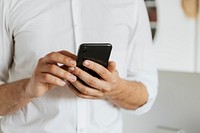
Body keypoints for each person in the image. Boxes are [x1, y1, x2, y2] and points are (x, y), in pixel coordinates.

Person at [0, 0, 158, 133]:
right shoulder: (10, 3)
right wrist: (27, 89)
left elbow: (146, 95)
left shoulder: (131, 3)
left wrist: (115, 89)